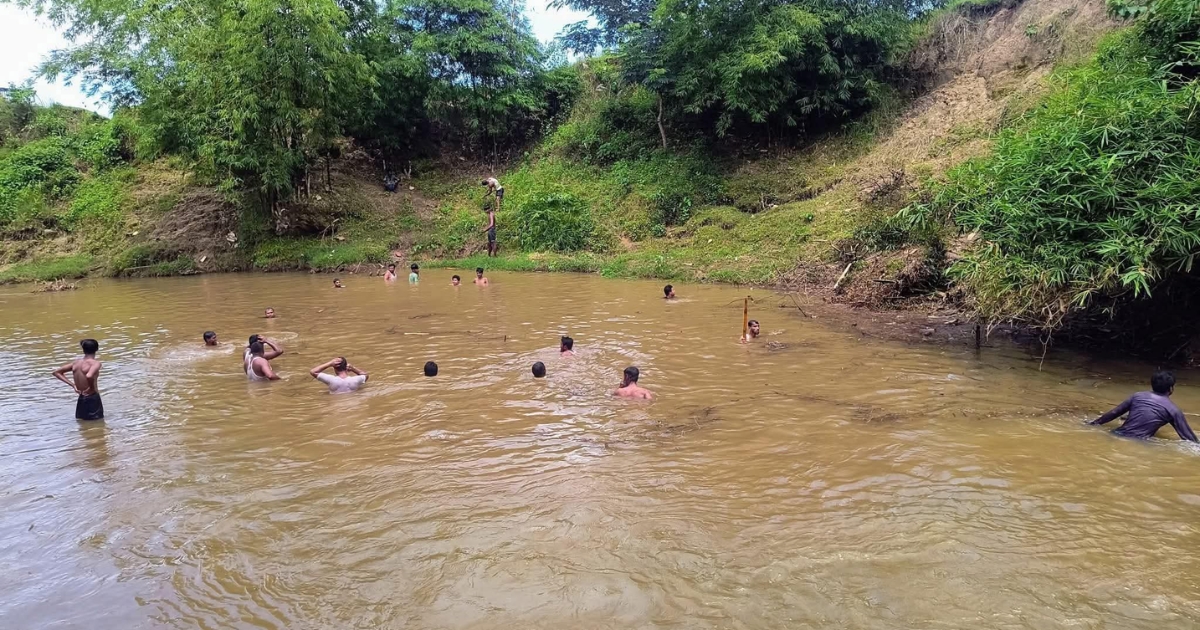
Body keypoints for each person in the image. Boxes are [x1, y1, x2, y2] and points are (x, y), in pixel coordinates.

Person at [1090, 370, 1197, 442]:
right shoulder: (1173, 410)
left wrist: (1093, 424)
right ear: (1171, 389)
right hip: (1140, 441)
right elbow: (1188, 438)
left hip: (1116, 434)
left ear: (1152, 384)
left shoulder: (1137, 396)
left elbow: (1113, 413)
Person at [53, 339, 104, 420]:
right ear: (97, 349)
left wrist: (73, 385)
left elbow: (56, 372)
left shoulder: (76, 363)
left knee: (82, 423)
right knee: (97, 423)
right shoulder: (95, 363)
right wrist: (91, 388)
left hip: (81, 397)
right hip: (92, 397)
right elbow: (89, 376)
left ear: (83, 350)